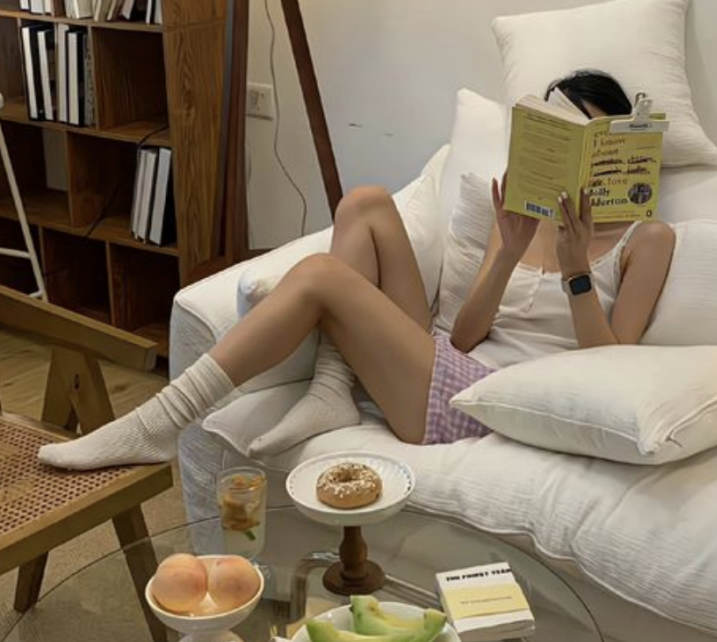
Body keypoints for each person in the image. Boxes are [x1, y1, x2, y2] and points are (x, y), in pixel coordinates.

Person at [37, 70, 675, 470]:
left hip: (497, 405)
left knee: (321, 275)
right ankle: (332, 389)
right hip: (451, 364)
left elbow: (611, 368)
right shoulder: (522, 217)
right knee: (365, 203)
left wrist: (576, 272)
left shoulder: (647, 240)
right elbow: (463, 336)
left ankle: (158, 424)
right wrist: (508, 252)